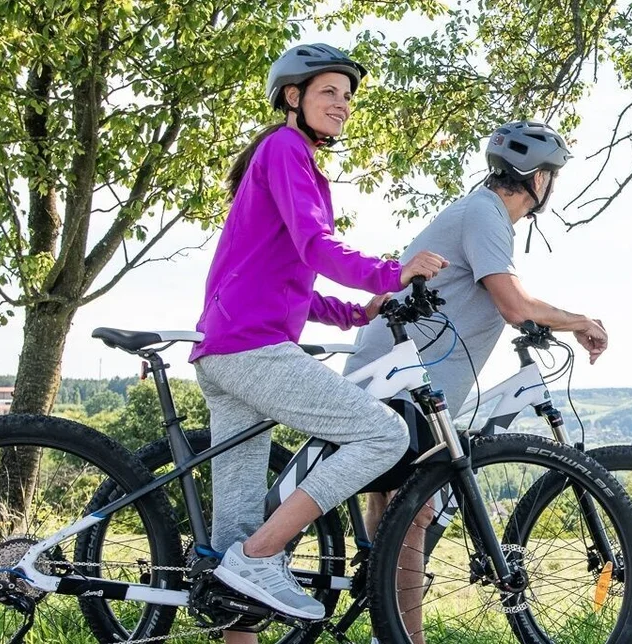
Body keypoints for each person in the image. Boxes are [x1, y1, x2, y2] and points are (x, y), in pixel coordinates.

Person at [187, 42, 446, 637]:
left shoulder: (288, 160)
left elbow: (287, 280)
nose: (342, 104)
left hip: (231, 352)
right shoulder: (285, 149)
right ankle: (262, 556)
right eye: (330, 91)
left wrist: (359, 312)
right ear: (293, 96)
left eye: (348, 96)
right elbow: (315, 245)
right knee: (384, 433)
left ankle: (245, 564)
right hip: (252, 351)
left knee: (232, 553)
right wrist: (390, 271)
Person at [340, 121, 609, 641]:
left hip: (395, 367)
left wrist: (543, 319)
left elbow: (500, 299)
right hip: (402, 375)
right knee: (413, 512)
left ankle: (386, 623)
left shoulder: (480, 212)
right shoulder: (486, 213)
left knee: (397, 506)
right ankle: (401, 637)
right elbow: (514, 304)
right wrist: (580, 321)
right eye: (553, 176)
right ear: (538, 178)